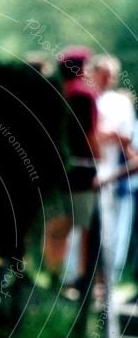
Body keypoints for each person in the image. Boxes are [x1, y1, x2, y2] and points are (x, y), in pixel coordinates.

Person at [45, 46, 101, 293]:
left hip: (58, 167)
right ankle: (82, 277)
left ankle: (53, 274)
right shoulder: (84, 94)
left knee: (59, 225)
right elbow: (89, 132)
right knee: (84, 225)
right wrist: (98, 156)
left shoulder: (55, 91)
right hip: (82, 167)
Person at [89, 54, 136, 284]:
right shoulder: (86, 97)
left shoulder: (120, 102)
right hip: (87, 171)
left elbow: (125, 137)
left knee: (110, 232)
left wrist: (108, 135)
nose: (108, 79)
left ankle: (105, 281)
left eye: (112, 75)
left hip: (110, 176)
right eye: (103, 73)